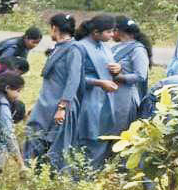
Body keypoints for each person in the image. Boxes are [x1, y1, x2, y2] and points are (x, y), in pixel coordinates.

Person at [23, 14, 83, 174]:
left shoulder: (74, 50)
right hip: (45, 104)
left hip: (59, 105)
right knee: (34, 137)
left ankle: (52, 180)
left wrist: (62, 107)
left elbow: (73, 80)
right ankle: (30, 174)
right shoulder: (58, 47)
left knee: (56, 145)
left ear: (54, 28)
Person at [72, 15, 120, 172]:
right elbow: (74, 77)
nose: (112, 35)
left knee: (102, 135)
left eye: (113, 31)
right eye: (108, 32)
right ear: (95, 32)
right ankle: (79, 174)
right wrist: (99, 83)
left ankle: (91, 173)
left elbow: (108, 68)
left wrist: (118, 69)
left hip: (105, 98)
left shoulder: (104, 47)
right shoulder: (80, 47)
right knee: (86, 136)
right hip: (87, 98)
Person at [109, 16, 152, 135]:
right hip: (112, 93)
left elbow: (140, 76)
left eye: (112, 31)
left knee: (120, 132)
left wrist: (119, 77)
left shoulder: (137, 50)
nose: (111, 35)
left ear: (118, 31)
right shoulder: (116, 48)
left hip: (125, 97)